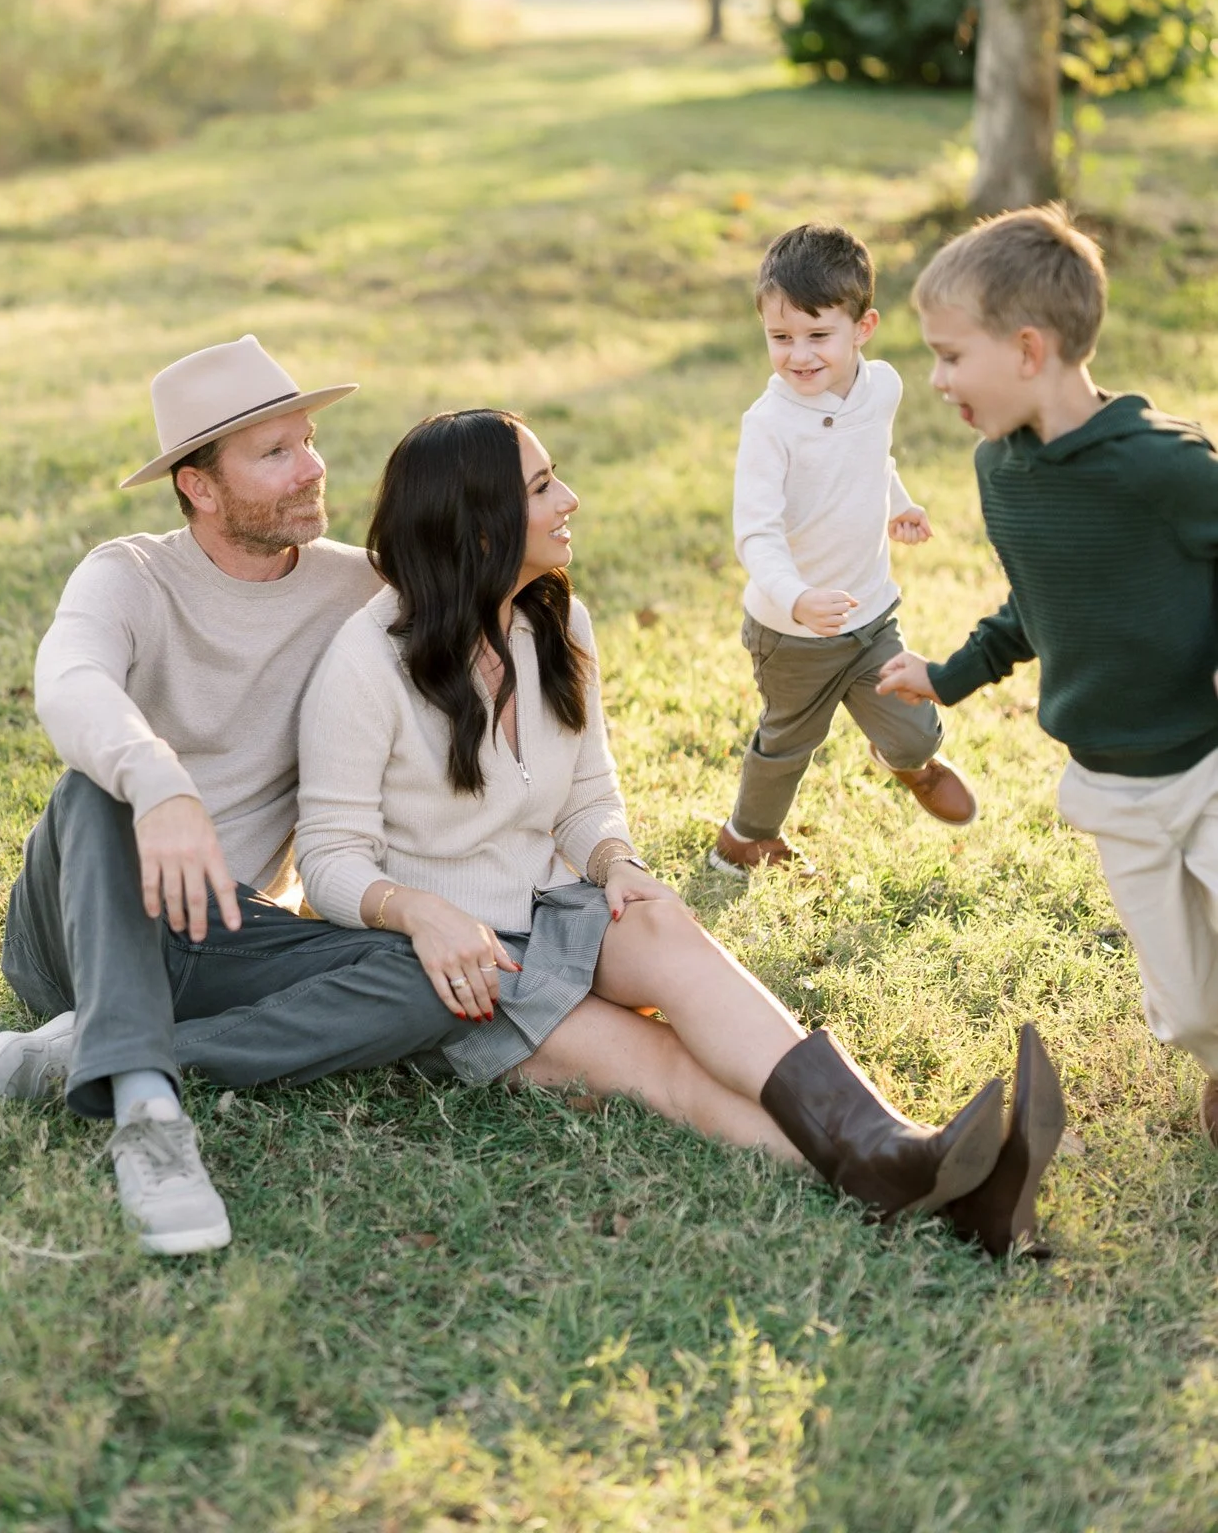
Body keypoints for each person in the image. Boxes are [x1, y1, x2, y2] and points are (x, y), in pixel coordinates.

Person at [296, 407, 1064, 1252]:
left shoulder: (555, 626)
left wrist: (614, 860)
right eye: (543, 487)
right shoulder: (366, 662)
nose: (570, 501)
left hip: (555, 903)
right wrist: (417, 912)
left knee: (661, 920)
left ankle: (899, 1147)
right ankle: (946, 1194)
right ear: (480, 526)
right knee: (664, 1063)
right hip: (464, 971)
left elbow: (586, 796)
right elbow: (327, 860)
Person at [0, 336, 474, 1256]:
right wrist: (158, 787)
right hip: (84, 918)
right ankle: (151, 1122)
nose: (312, 467)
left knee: (443, 979)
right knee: (92, 793)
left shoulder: (356, 591)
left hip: (228, 927)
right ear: (198, 486)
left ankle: (102, 1056)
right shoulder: (128, 574)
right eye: (274, 453)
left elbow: (473, 647)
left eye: (308, 439)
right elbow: (70, 681)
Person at [878, 203, 1218, 1154]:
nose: (936, 380)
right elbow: (1034, 599)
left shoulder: (1163, 463)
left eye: (949, 356)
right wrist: (946, 678)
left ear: (1028, 349)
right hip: (1110, 780)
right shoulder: (1001, 472)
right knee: (1188, 1007)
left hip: (1207, 757)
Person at [711, 223, 977, 878]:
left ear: (862, 328)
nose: (797, 355)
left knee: (913, 724)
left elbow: (870, 460)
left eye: (816, 335)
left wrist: (900, 502)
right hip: (791, 632)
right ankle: (743, 840)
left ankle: (904, 761)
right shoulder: (768, 425)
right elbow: (756, 532)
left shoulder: (881, 387)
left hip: (871, 612)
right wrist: (795, 598)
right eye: (780, 338)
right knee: (788, 741)